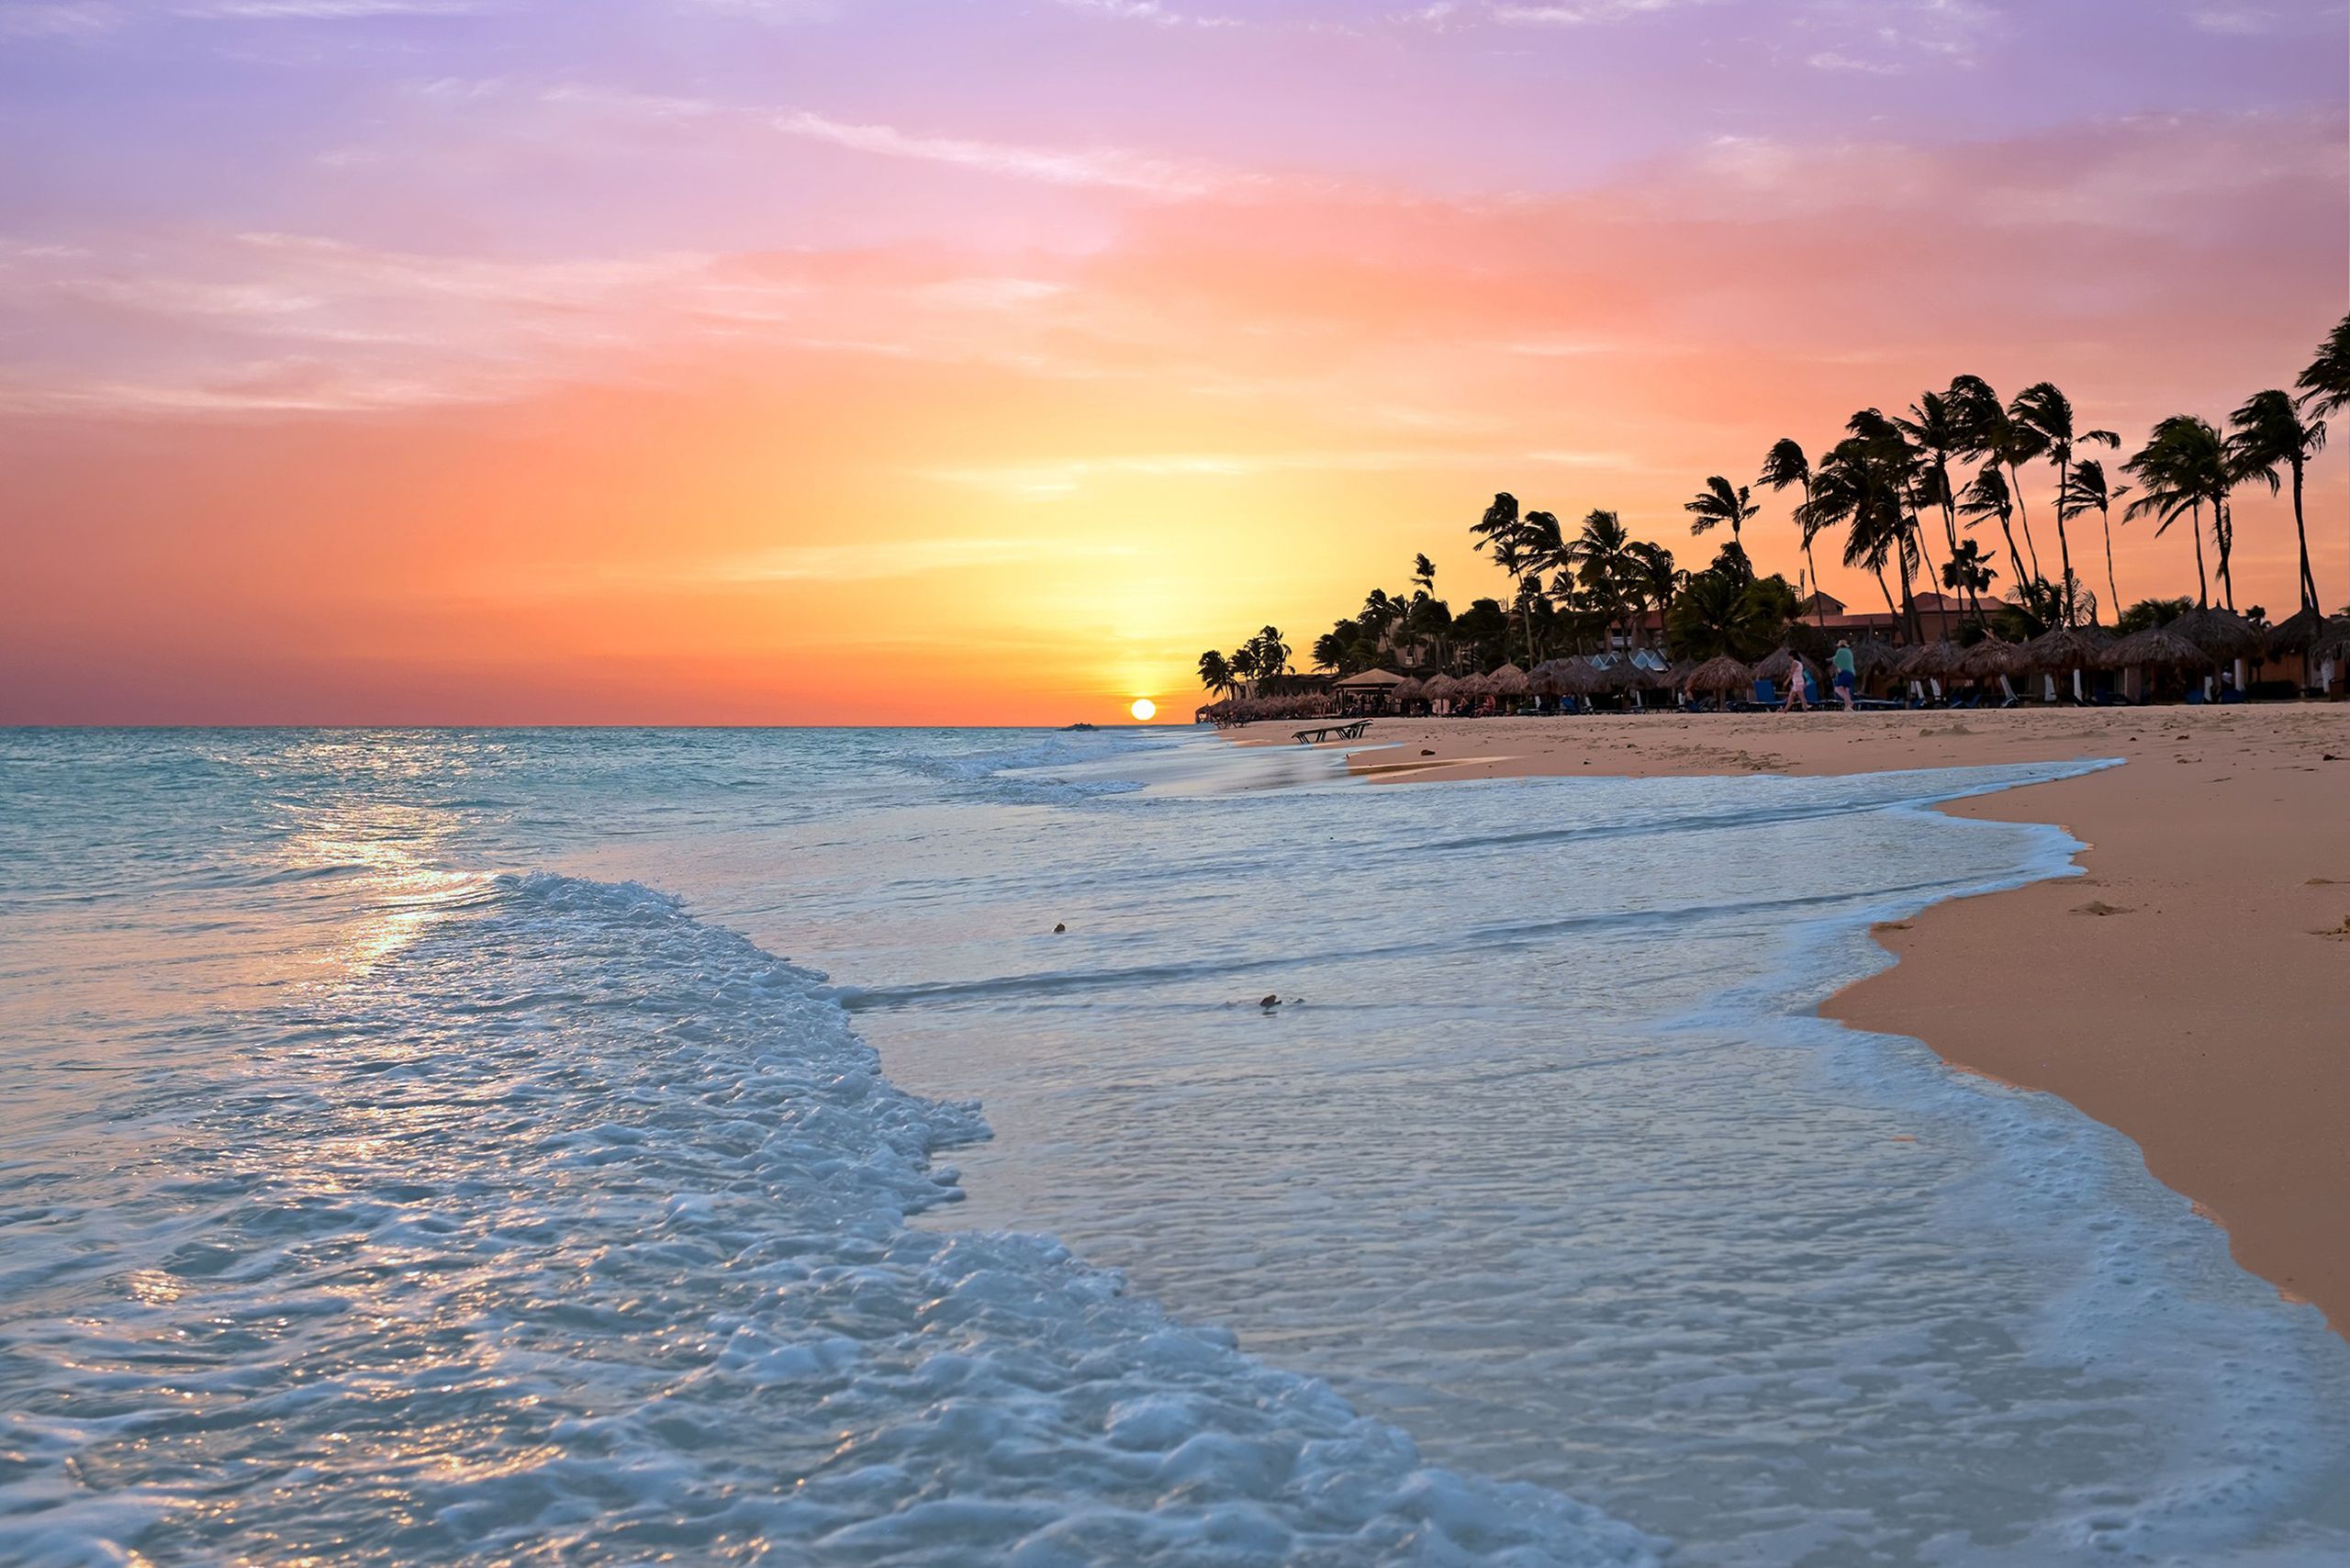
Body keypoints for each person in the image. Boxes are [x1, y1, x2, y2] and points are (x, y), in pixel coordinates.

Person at [1831, 639, 1857, 711]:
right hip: (1851, 673)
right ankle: (1848, 707)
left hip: (1844, 672)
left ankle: (1849, 702)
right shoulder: (1849, 652)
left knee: (1837, 689)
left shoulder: (1839, 651)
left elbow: (1835, 661)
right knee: (1846, 690)